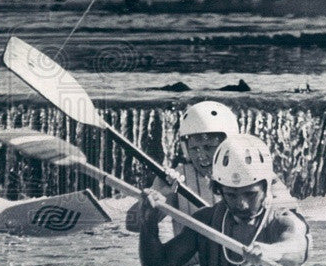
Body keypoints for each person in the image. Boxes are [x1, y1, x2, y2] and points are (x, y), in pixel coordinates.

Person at [138, 134, 310, 266]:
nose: (242, 204)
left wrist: (272, 252)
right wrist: (149, 222)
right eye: (231, 194)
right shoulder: (205, 221)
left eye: (250, 194)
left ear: (266, 187)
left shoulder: (284, 221)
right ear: (218, 190)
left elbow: (298, 247)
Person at [126, 101, 295, 239]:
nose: (201, 156)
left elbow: (292, 218)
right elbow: (132, 225)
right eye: (194, 148)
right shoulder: (174, 179)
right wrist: (157, 199)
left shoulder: (258, 174)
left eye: (208, 147)